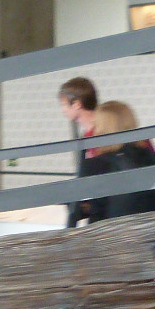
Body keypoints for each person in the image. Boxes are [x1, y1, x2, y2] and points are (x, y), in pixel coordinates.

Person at [74, 101, 155, 223]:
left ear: (102, 127)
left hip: (109, 236)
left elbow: (85, 208)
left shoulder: (95, 164)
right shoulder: (150, 157)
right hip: (150, 232)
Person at [59, 76, 104, 229]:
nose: (62, 110)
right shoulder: (87, 137)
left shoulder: (99, 135)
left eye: (64, 105)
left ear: (77, 105)